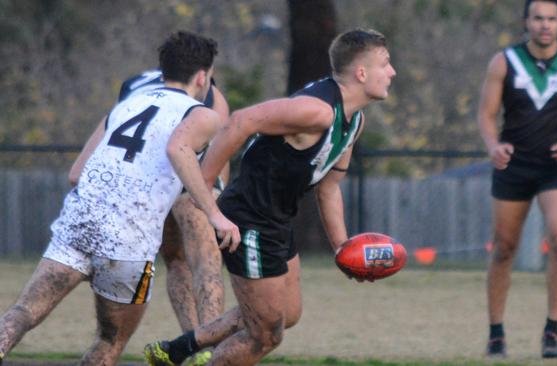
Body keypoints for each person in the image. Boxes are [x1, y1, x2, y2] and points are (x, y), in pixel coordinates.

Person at [143, 28, 396, 366]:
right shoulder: (317, 111)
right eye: (386, 63)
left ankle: (176, 350)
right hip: (247, 221)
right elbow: (240, 121)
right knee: (265, 333)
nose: (392, 71)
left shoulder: (354, 121)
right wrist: (204, 188)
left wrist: (342, 248)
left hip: (275, 222)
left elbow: (329, 187)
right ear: (361, 73)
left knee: (288, 314)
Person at [0, 31, 225, 366]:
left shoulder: (127, 106)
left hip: (79, 223)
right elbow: (178, 149)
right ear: (203, 76)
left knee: (21, 314)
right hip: (128, 242)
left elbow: (76, 174)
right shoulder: (203, 114)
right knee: (109, 340)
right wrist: (214, 213)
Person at [477, 0, 557, 359]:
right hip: (513, 166)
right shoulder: (504, 61)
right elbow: (487, 115)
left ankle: (552, 330)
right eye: (538, 18)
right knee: (504, 248)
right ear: (526, 21)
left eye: (551, 18)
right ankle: (495, 333)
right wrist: (492, 145)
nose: (545, 25)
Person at [69, 68, 230, 334]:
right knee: (206, 261)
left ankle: (191, 343)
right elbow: (219, 145)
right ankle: (207, 343)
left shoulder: (134, 83)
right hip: (188, 179)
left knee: (176, 261)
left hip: (144, 183)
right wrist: (213, 197)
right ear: (202, 73)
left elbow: (93, 155)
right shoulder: (208, 91)